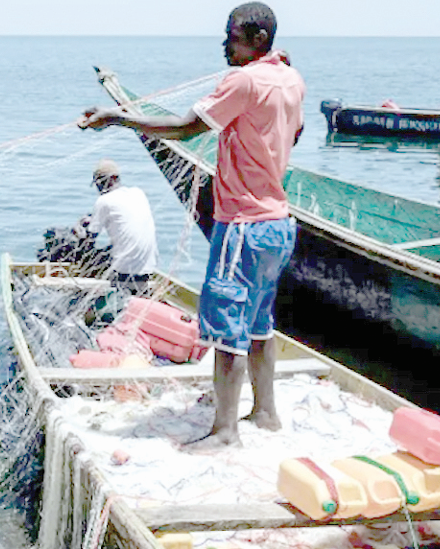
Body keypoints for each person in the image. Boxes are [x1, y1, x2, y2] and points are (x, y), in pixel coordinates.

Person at [80, 1, 304, 448]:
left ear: (258, 40)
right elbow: (293, 134)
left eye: (231, 36)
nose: (224, 44)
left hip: (242, 226)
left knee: (227, 331)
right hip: (279, 225)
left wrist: (118, 119)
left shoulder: (244, 79)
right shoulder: (290, 78)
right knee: (260, 324)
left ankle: (224, 432)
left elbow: (186, 128)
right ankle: (265, 413)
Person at [79, 159, 158, 295]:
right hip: (149, 268)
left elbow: (90, 240)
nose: (99, 187)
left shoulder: (104, 201)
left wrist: (80, 231)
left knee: (90, 255)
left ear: (114, 178)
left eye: (101, 182)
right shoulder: (138, 193)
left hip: (124, 272)